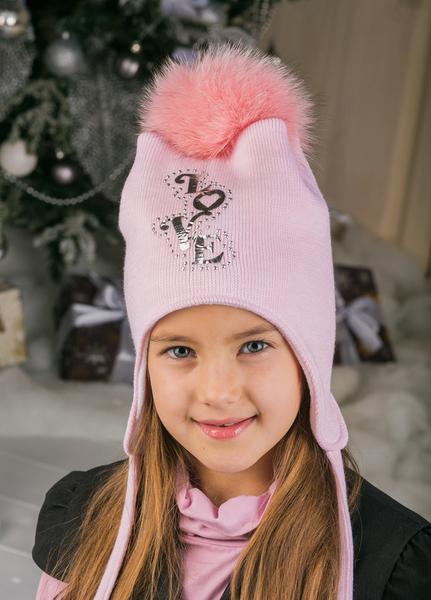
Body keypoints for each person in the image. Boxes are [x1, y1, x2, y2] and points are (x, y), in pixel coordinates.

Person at [32, 42, 431, 600]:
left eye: (254, 346)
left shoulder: (392, 566)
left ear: (308, 351)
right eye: (179, 350)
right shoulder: (85, 520)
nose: (218, 392)